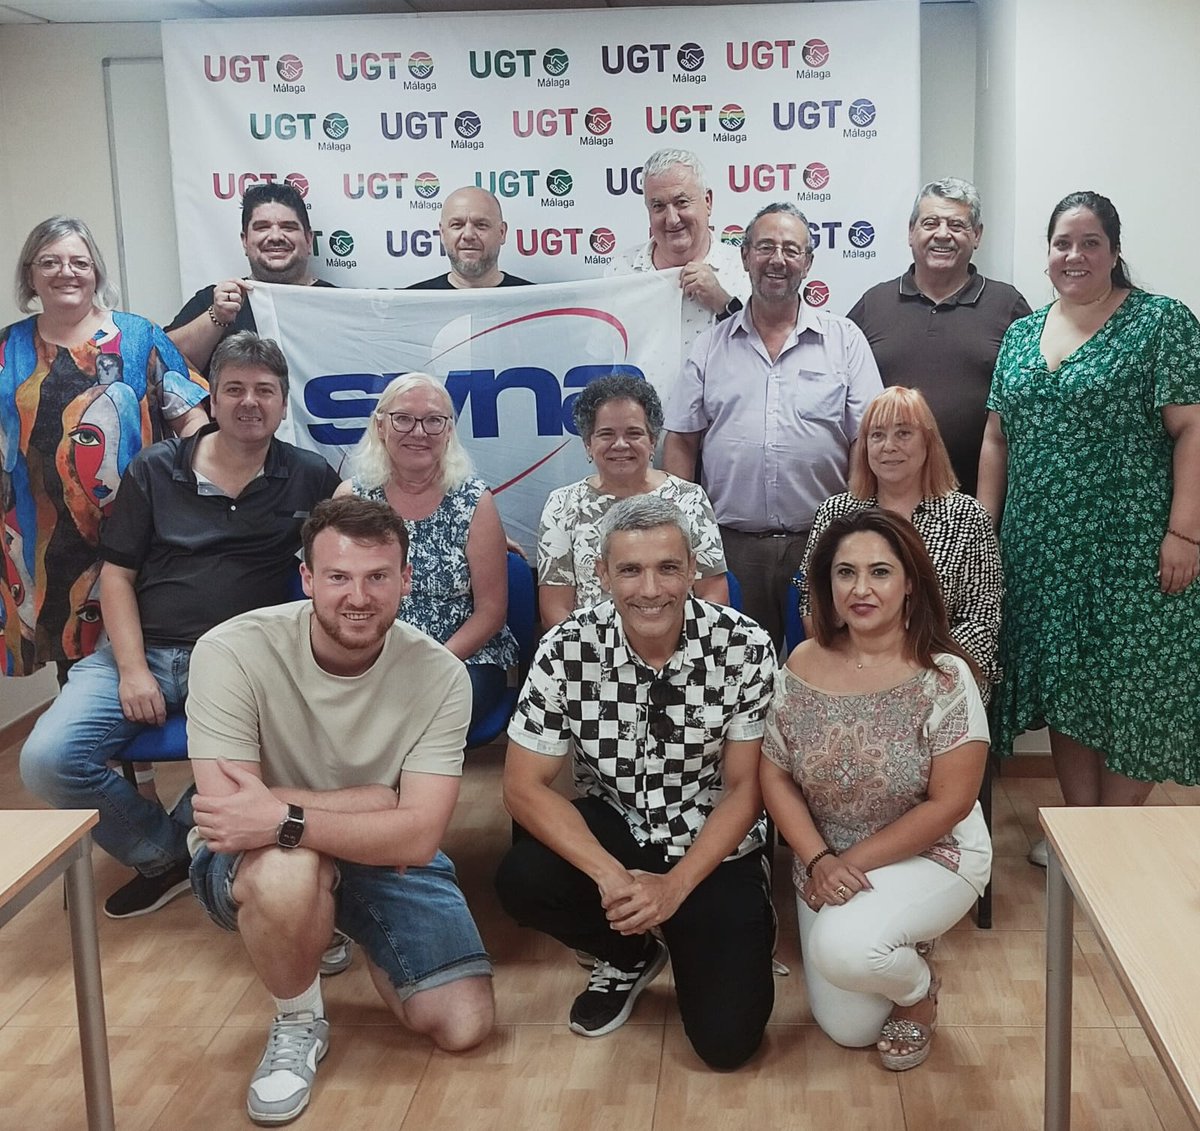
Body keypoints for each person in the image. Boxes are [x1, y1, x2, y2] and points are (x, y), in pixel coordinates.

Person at [187, 496, 493, 1125]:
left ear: (406, 580)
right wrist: (375, 803)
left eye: (378, 576)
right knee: (289, 870)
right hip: (259, 854)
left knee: (463, 1025)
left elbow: (418, 838)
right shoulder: (230, 649)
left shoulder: (440, 675)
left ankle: (335, 916)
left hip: (373, 851)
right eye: (338, 577)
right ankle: (298, 1019)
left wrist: (285, 814)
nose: (359, 596)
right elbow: (230, 817)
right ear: (307, 579)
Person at [19, 332, 341, 918]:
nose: (249, 402)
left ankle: (196, 848)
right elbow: (117, 577)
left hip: (244, 662)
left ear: (283, 402)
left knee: (295, 746)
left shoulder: (309, 474)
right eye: (234, 389)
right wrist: (133, 670)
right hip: (141, 651)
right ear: (211, 400)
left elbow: (362, 530)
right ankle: (165, 853)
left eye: (264, 391)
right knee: (48, 760)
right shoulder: (156, 468)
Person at [495, 496, 776, 1070]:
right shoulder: (565, 648)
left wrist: (673, 888)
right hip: (618, 824)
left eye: (668, 568)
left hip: (709, 843)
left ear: (692, 568)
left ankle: (732, 916)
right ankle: (629, 952)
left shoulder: (745, 646)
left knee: (727, 1045)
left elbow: (745, 790)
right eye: (630, 570)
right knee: (524, 875)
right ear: (602, 574)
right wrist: (612, 878)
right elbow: (522, 787)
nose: (650, 589)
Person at [978, 191, 1200, 865]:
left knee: (1139, 683)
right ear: (1047, 253)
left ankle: (1114, 833)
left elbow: (1192, 429)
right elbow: (996, 439)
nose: (1074, 255)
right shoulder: (1022, 333)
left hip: (1134, 545)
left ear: (1114, 250)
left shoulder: (1160, 322)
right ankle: (1080, 831)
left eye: (1090, 242)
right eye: (1062, 243)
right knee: (1067, 684)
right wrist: (983, 534)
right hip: (1040, 548)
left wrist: (1185, 533)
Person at [760, 508, 991, 1070]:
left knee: (844, 950)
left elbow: (951, 803)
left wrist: (846, 864)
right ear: (827, 584)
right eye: (846, 573)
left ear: (910, 583)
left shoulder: (945, 675)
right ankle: (894, 940)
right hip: (826, 859)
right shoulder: (803, 661)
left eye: (880, 572)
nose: (860, 589)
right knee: (851, 1030)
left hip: (932, 853)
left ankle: (919, 993)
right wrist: (819, 860)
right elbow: (775, 772)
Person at [663, 201, 882, 649]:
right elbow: (682, 441)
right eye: (765, 247)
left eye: (790, 249)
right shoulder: (710, 346)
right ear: (745, 257)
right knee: (735, 669)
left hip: (823, 542)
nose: (777, 259)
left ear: (808, 262)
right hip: (731, 549)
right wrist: (685, 531)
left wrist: (855, 527)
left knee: (829, 663)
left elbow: (867, 440)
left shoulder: (845, 341)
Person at [1, 215, 209, 679]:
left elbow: (192, 417)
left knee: (150, 659)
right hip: (41, 536)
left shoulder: (139, 337)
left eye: (79, 262)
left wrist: (198, 493)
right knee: (74, 663)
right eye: (50, 262)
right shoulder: (7, 349)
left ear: (95, 272)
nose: (66, 272)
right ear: (30, 275)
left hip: (138, 531)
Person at [337, 373, 517, 725]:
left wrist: (432, 663)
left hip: (460, 658)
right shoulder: (352, 499)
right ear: (380, 426)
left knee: (425, 711)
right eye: (403, 418)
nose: (419, 432)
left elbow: (491, 612)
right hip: (370, 653)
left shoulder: (474, 502)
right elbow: (337, 594)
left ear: (448, 431)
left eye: (433, 420)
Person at [798, 386, 1002, 692]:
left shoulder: (968, 517)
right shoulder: (835, 513)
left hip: (942, 679)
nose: (889, 446)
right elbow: (811, 600)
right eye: (877, 435)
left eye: (903, 433)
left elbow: (982, 620)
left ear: (928, 442)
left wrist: (912, 672)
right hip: (851, 676)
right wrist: (857, 668)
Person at [847, 178, 1030, 495]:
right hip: (886, 503)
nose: (943, 234)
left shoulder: (1007, 306)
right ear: (911, 232)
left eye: (957, 225)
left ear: (977, 235)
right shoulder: (873, 305)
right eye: (930, 223)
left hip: (977, 501)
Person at [537, 373, 727, 628]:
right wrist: (592, 649)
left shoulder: (689, 499)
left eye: (634, 433)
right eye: (606, 434)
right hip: (590, 646)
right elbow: (555, 610)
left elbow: (713, 597)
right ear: (588, 444)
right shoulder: (563, 505)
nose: (620, 444)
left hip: (681, 643)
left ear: (652, 441)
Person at [166, 182, 335, 378]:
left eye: (288, 227)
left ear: (309, 240)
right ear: (245, 241)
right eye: (262, 227)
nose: (275, 236)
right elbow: (161, 362)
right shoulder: (216, 301)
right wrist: (216, 317)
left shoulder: (337, 302)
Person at [606, 148, 750, 352]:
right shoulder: (620, 272)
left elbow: (763, 354)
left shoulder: (744, 269)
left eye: (681, 202)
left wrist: (722, 302)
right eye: (658, 206)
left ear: (708, 202)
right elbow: (600, 359)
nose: (672, 219)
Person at [408, 187, 532, 290]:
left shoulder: (533, 302)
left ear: (502, 232)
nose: (468, 235)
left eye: (481, 225)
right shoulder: (412, 303)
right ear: (442, 233)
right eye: (457, 225)